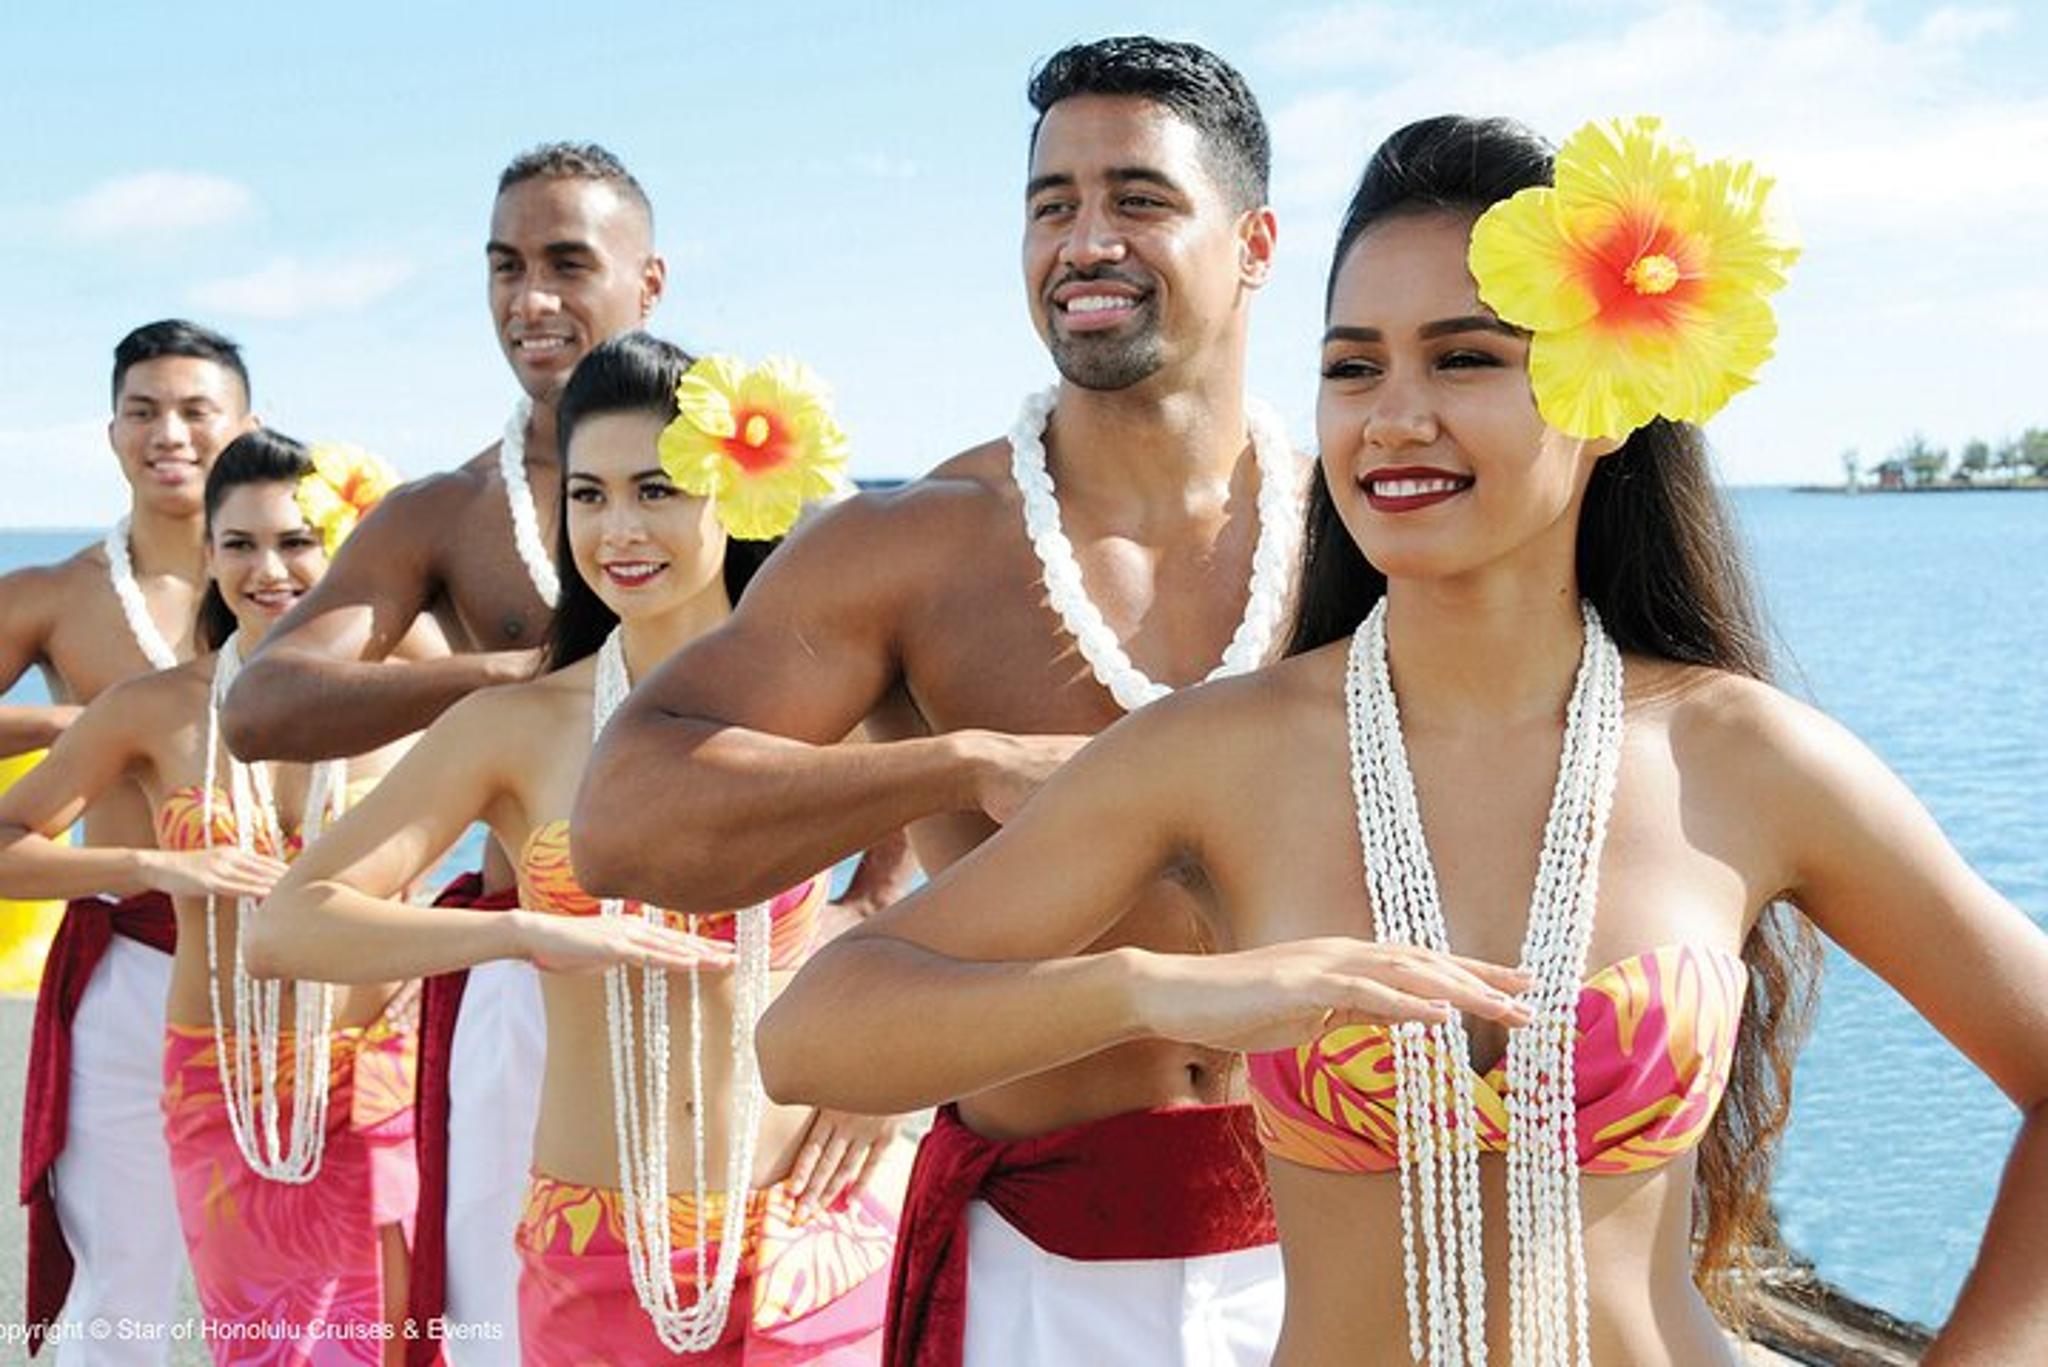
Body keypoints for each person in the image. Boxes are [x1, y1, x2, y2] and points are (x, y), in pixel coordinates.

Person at [756, 114, 2048, 1366]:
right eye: (1353, 364)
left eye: (1467, 357)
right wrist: (1163, 986)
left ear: (1608, 395)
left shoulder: (1737, 752)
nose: (1394, 415)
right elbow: (813, 1033)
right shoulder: (1221, 750)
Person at [577, 36, 1305, 1367]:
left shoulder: (1360, 530)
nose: (1085, 241)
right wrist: (962, 762)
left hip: (1338, 1226)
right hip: (1044, 1260)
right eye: (1051, 206)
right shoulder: (921, 542)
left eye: (1138, 199)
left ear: (1253, 241)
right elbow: (625, 818)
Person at [252, 332, 909, 1365]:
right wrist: (519, 931)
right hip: (593, 1240)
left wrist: (896, 1080)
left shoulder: (829, 700)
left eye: (656, 489)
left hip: (808, 1230)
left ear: (731, 495)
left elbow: (999, 862)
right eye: (590, 495)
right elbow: (291, 925)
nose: (618, 528)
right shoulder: (516, 727)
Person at [219, 143, 667, 1359]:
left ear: (649, 280)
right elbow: (261, 707)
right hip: (538, 971)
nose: (532, 300)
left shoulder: (741, 484)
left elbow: (880, 694)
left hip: (738, 980)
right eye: (505, 267)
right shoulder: (447, 511)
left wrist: (867, 911)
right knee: (504, 1319)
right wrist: (528, 678)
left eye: (568, 263)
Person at [0, 431, 431, 1363]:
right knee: (264, 1343)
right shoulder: (157, 707)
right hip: (220, 1076)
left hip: (381, 1072)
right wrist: (157, 867)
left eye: (299, 539)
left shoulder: (413, 699)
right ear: (206, 554)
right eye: (239, 543)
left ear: (347, 545)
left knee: (394, 1340)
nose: (269, 568)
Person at [0, 319, 255, 1359]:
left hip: (286, 973)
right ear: (110, 432)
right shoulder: (55, 596)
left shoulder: (297, 585)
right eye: (144, 410)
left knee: (310, 1281)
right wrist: (78, 729)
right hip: (135, 957)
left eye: (198, 409)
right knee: (126, 1292)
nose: (171, 433)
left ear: (246, 425)